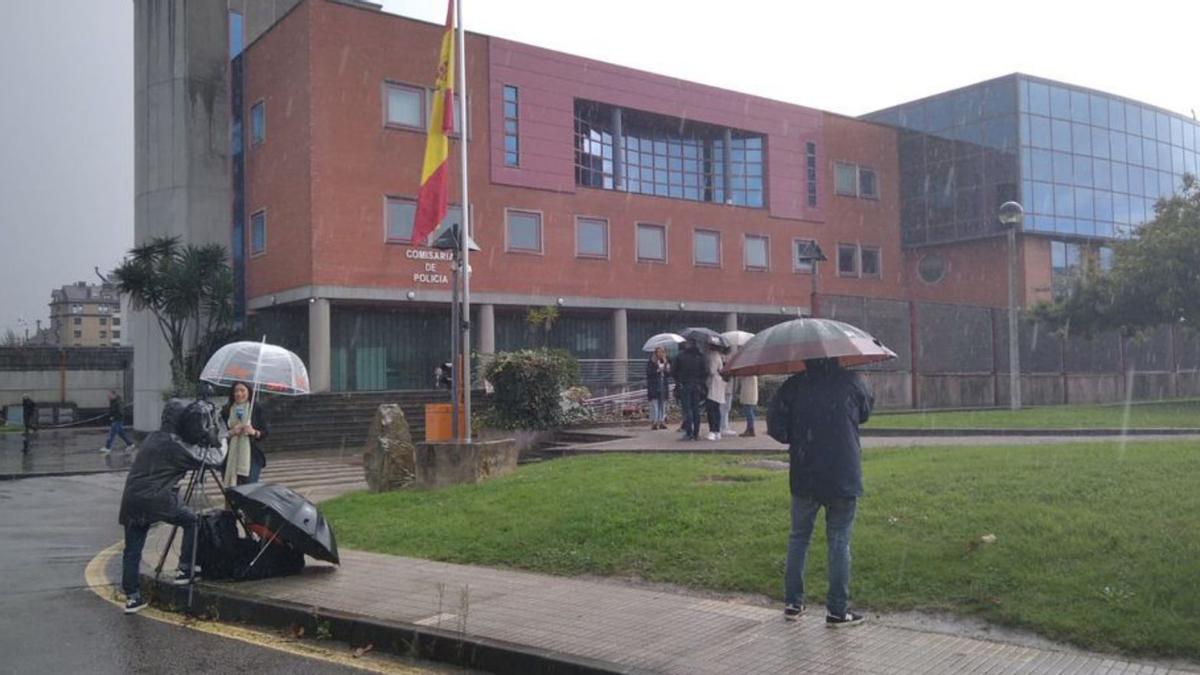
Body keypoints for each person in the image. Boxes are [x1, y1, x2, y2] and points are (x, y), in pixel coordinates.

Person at [768, 357, 873, 628]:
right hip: (842, 472)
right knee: (839, 540)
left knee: (799, 537)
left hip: (805, 472)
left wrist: (800, 434)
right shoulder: (852, 382)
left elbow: (776, 428)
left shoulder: (793, 387)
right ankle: (837, 611)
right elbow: (864, 413)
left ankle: (793, 603)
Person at [118, 398, 225, 614]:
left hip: (131, 499)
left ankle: (132, 597)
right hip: (156, 498)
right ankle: (185, 570)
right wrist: (223, 436)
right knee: (191, 521)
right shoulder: (176, 446)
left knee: (132, 549)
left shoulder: (153, 438)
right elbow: (214, 458)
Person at [221, 381, 269, 486]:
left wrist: (253, 432)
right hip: (229, 456)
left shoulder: (256, 409)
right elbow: (219, 433)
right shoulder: (226, 410)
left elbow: (265, 432)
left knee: (248, 489)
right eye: (236, 391)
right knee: (232, 491)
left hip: (252, 456)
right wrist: (232, 432)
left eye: (242, 390)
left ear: (249, 392)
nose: (239, 394)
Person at [671, 340, 707, 441]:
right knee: (696, 409)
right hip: (697, 385)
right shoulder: (700, 357)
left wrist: (679, 381)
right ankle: (696, 433)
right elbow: (704, 372)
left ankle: (689, 432)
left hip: (685, 385)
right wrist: (700, 383)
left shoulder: (680, 356)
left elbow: (673, 372)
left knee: (687, 410)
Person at [645, 346, 672, 430]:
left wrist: (667, 368)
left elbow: (668, 374)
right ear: (655, 353)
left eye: (662, 352)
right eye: (658, 352)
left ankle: (662, 421)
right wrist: (657, 370)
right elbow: (649, 373)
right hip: (654, 385)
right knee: (655, 404)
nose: (660, 353)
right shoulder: (651, 362)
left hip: (663, 384)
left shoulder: (666, 361)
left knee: (663, 404)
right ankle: (654, 421)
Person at [703, 346, 727, 441]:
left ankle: (712, 431)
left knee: (711, 409)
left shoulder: (712, 356)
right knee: (716, 409)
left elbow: (712, 371)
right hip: (719, 384)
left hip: (713, 384)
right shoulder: (719, 356)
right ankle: (717, 431)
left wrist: (707, 367)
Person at [102, 390, 135, 454]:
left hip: (118, 420)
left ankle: (107, 448)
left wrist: (113, 417)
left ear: (114, 395)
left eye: (109, 395)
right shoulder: (112, 401)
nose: (108, 397)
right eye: (108, 396)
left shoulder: (118, 402)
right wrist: (110, 415)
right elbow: (112, 410)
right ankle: (130, 444)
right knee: (121, 433)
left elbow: (120, 412)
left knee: (112, 434)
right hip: (115, 420)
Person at [736, 372, 759, 437]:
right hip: (749, 391)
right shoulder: (752, 372)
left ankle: (750, 429)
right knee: (749, 410)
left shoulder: (749, 372)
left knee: (748, 410)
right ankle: (750, 428)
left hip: (748, 391)